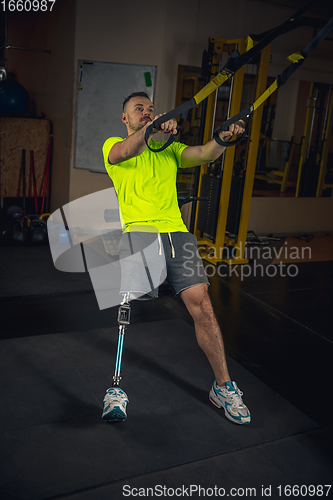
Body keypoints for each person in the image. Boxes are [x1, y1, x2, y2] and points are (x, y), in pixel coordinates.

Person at [101, 91, 250, 425]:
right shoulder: (114, 144)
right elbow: (127, 149)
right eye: (138, 109)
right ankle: (115, 391)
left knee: (204, 307)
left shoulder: (169, 149)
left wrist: (223, 138)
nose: (146, 112)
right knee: (127, 311)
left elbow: (204, 154)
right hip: (139, 233)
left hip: (177, 234)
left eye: (150, 109)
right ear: (125, 118)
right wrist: (152, 128)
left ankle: (224, 388)